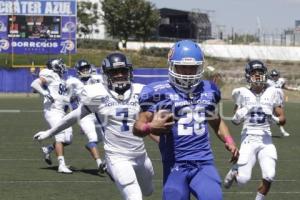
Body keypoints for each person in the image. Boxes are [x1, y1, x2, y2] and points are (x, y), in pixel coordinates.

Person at [33, 52, 154, 200]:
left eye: (123, 71)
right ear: (106, 74)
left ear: (130, 71)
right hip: (117, 156)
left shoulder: (141, 91)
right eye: (115, 72)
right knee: (135, 196)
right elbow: (73, 117)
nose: (120, 75)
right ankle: (109, 167)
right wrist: (50, 132)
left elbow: (154, 119)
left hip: (140, 155)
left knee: (148, 191)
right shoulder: (98, 94)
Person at [133, 40, 239, 200]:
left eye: (192, 67)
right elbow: (137, 127)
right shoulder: (157, 92)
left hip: (203, 164)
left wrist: (229, 140)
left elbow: (216, 121)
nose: (187, 72)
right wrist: (150, 127)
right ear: (172, 65)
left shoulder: (209, 90)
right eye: (182, 66)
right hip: (175, 164)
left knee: (213, 197)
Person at [223, 60, 286, 200]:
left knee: (270, 175)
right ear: (248, 75)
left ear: (265, 74)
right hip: (248, 138)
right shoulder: (242, 93)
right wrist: (241, 112)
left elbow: (283, 119)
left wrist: (274, 119)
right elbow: (235, 121)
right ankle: (235, 171)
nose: (257, 76)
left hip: (266, 140)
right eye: (254, 73)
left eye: (260, 72)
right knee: (243, 180)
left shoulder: (273, 92)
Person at [31, 58, 73, 173]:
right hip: (53, 111)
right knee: (60, 136)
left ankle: (48, 149)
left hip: (62, 112)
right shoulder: (50, 74)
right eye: (61, 64)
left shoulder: (60, 78)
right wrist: (45, 92)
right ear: (55, 66)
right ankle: (61, 165)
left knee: (68, 139)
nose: (63, 66)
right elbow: (34, 84)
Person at [66, 59, 105, 172]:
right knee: (93, 137)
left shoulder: (96, 79)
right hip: (85, 114)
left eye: (87, 68)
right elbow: (70, 100)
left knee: (102, 138)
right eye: (83, 69)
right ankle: (99, 164)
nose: (86, 70)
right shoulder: (73, 83)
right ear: (78, 71)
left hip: (97, 112)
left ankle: (90, 146)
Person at [267, 69, 299, 137]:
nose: (274, 77)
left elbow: (284, 87)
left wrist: (295, 89)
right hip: (269, 101)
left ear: (278, 75)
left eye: (275, 75)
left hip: (278, 101)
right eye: (273, 75)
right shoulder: (268, 82)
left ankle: (282, 131)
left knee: (279, 117)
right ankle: (267, 131)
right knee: (269, 116)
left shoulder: (281, 81)